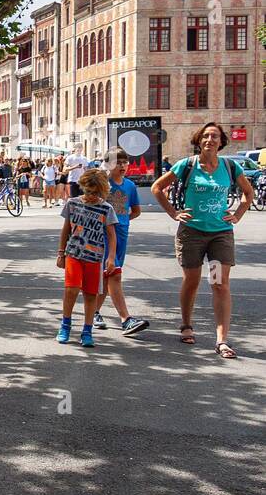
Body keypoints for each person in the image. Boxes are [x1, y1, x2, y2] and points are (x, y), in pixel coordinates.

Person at [151, 121, 253, 358]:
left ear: (221, 142)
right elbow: (157, 187)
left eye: (215, 137)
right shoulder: (186, 165)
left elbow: (249, 193)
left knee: (219, 283)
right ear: (198, 141)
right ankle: (186, 324)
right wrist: (174, 213)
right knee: (192, 280)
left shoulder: (229, 167)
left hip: (220, 234)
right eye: (205, 136)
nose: (210, 140)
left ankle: (221, 340)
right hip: (192, 233)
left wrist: (237, 213)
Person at [56, 168, 117, 348]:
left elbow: (112, 235)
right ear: (83, 187)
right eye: (88, 191)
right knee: (71, 289)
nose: (91, 195)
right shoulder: (72, 203)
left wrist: (111, 258)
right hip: (74, 253)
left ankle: (87, 330)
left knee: (91, 294)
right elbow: (65, 229)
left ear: (103, 191)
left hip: (95, 257)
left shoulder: (106, 208)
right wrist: (61, 253)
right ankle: (65, 325)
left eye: (96, 192)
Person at [95, 150, 150, 337]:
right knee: (114, 274)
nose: (123, 166)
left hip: (122, 234)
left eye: (125, 162)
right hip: (102, 235)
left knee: (106, 276)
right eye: (118, 162)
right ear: (109, 164)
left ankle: (93, 312)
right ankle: (126, 319)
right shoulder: (102, 184)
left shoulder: (130, 185)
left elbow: (136, 210)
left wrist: (122, 221)